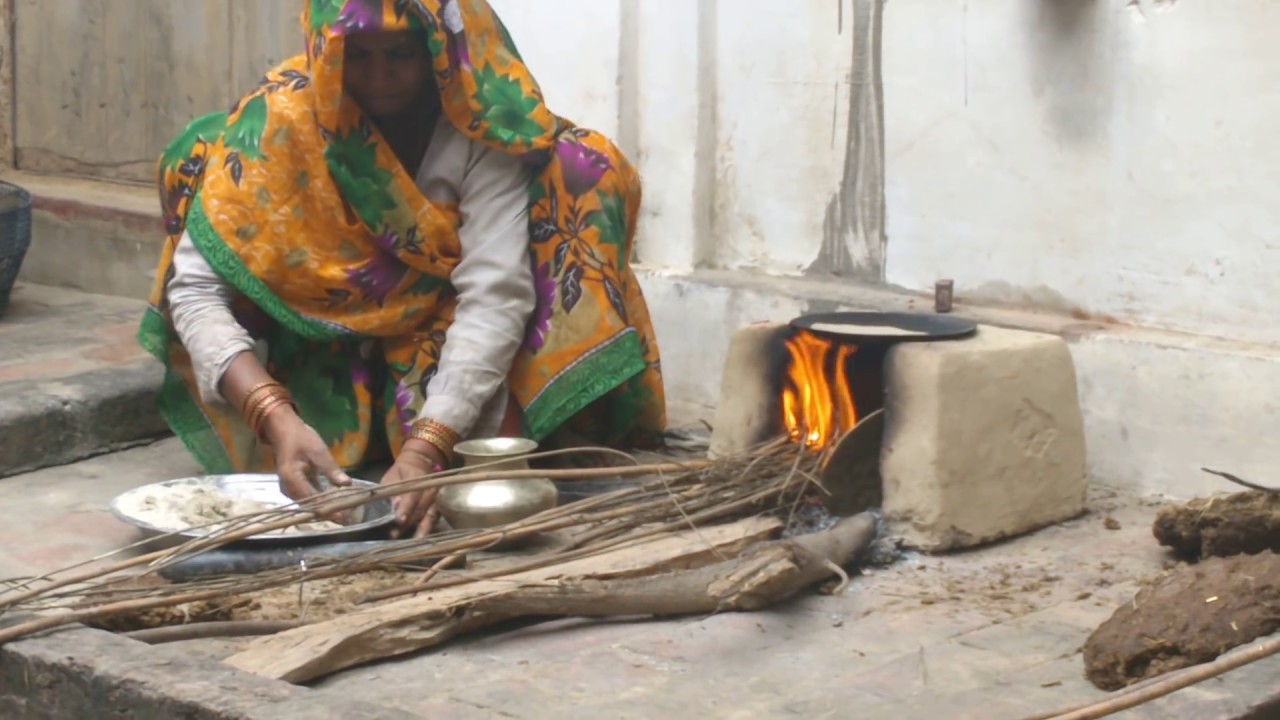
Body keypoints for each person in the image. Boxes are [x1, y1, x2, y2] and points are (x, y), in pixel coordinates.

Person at [137, 0, 666, 538]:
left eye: (400, 54)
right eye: (359, 56)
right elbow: (196, 291)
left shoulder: (480, 123)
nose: (379, 77)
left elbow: (494, 296)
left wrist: (427, 448)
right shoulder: (283, 121)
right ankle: (319, 436)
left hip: (446, 334)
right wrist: (275, 416)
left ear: (439, 48)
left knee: (582, 165)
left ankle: (500, 432)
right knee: (199, 151)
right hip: (325, 342)